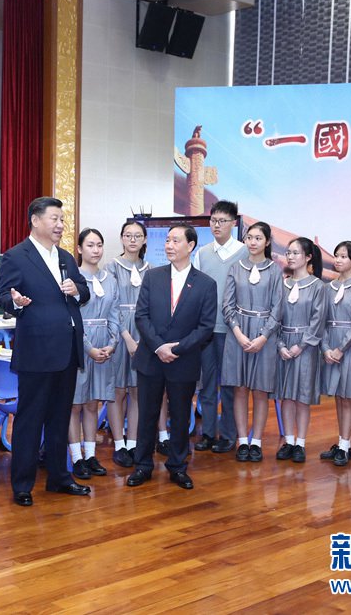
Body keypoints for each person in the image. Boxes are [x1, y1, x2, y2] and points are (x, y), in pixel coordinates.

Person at [0, 196, 91, 507]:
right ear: (35, 220)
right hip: (37, 351)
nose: (60, 225)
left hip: (67, 350)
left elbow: (84, 292)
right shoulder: (16, 256)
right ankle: (22, 484)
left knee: (59, 417)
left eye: (62, 219)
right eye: (54, 219)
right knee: (30, 419)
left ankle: (59, 477)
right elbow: (3, 296)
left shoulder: (66, 258)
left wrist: (78, 290)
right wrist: (16, 302)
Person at [126, 223, 216, 491]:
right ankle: (142, 465)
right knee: (147, 415)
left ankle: (177, 466)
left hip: (184, 360)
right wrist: (158, 347)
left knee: (180, 416)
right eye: (167, 240)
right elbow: (141, 316)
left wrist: (175, 349)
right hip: (151, 358)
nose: (169, 245)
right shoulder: (153, 277)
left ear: (190, 246)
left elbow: (206, 327)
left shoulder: (206, 284)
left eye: (176, 241)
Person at [221, 221, 283, 463]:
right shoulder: (235, 268)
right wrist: (238, 334)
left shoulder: (275, 270)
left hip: (264, 336)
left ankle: (255, 441)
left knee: (259, 391)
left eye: (258, 238)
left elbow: (278, 308)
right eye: (249, 237)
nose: (253, 242)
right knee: (239, 388)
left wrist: (264, 336)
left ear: (267, 242)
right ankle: (242, 440)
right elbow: (227, 305)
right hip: (237, 334)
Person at [192, 201, 248, 455]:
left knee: (228, 384)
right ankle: (207, 434)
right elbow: (194, 287)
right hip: (206, 328)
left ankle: (227, 435)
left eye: (222, 221)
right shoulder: (203, 252)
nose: (216, 225)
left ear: (233, 223)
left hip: (233, 329)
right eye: (213, 220)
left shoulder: (244, 252)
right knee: (206, 383)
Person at [70, 228, 119, 479]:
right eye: (90, 245)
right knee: (75, 405)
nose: (96, 250)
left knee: (92, 404)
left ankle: (91, 455)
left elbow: (115, 314)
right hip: (80, 346)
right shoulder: (72, 280)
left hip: (104, 346)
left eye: (99, 245)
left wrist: (112, 343)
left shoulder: (110, 279)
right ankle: (76, 457)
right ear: (79, 249)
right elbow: (71, 318)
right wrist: (89, 349)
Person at [275, 237, 325, 464]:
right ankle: (288, 440)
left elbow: (318, 320)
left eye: (296, 253)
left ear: (308, 257)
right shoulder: (282, 284)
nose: (291, 256)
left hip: (306, 348)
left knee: (302, 397)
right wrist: (280, 344)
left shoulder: (317, 286)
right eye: (289, 252)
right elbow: (273, 316)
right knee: (285, 396)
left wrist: (300, 345)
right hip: (283, 345)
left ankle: (301, 443)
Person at [319, 241, 351, 467]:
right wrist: (327, 347)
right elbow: (321, 320)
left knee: (348, 397)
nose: (337, 260)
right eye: (336, 255)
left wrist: (340, 349)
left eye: (343, 256)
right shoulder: (328, 286)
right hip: (331, 345)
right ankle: (341, 444)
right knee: (338, 397)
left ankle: (346, 444)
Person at [106, 221, 150, 466]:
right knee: (118, 391)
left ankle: (133, 443)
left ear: (145, 240)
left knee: (137, 390)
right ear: (121, 238)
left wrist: (144, 339)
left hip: (144, 334)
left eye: (138, 236)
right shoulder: (111, 268)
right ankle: (119, 443)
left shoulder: (151, 269)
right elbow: (111, 306)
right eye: (128, 235)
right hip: (119, 334)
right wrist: (127, 338)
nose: (132, 240)